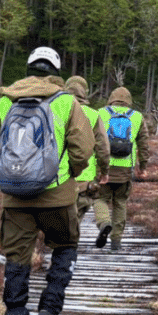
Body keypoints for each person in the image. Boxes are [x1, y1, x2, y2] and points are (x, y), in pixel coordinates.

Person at [0, 46, 94, 315]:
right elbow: (84, 150)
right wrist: (66, 176)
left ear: (28, 67)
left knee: (16, 264)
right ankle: (49, 310)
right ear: (55, 70)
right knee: (66, 247)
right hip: (58, 198)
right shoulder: (66, 102)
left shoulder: (5, 102)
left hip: (15, 201)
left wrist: (13, 178)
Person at [93, 86, 151, 252]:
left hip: (104, 168)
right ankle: (116, 241)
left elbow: (91, 139)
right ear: (129, 100)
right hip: (125, 171)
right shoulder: (137, 117)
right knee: (120, 203)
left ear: (111, 98)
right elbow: (144, 144)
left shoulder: (100, 113)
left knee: (100, 199)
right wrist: (143, 166)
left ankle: (104, 223)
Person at [64, 75, 110, 228]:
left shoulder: (54, 110)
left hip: (57, 180)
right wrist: (104, 171)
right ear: (85, 92)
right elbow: (103, 147)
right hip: (85, 181)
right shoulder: (93, 115)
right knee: (74, 225)